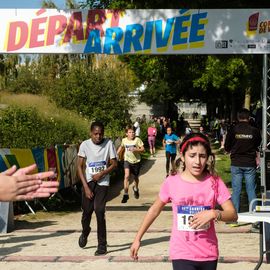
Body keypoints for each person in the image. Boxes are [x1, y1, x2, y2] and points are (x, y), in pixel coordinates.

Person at [130, 133, 237, 270]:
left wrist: (214, 213)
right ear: (182, 157)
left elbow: (233, 215)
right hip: (182, 253)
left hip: (208, 254)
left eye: (202, 156)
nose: (197, 162)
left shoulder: (214, 182)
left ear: (208, 158)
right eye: (192, 156)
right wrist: (137, 238)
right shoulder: (172, 182)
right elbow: (154, 210)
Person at [77, 121, 117, 255]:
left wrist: (102, 173)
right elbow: (79, 167)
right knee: (87, 212)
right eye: (95, 134)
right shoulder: (85, 145)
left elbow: (114, 163)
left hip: (103, 182)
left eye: (100, 134)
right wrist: (85, 187)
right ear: (91, 133)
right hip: (88, 182)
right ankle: (85, 231)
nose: (98, 136)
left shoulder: (109, 144)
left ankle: (102, 245)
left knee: (99, 211)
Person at [224, 109, 261, 224]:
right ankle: (255, 219)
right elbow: (258, 143)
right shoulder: (254, 130)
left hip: (236, 163)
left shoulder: (233, 130)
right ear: (249, 117)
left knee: (236, 191)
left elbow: (227, 146)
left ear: (238, 117)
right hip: (250, 164)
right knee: (251, 190)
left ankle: (233, 218)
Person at [117, 125, 144, 203]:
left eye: (133, 132)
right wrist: (116, 154)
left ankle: (136, 188)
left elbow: (142, 149)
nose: (132, 134)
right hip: (127, 160)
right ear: (126, 134)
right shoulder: (124, 140)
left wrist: (136, 149)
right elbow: (121, 147)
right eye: (130, 132)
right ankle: (125, 194)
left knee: (136, 177)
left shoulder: (137, 140)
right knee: (127, 175)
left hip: (136, 161)